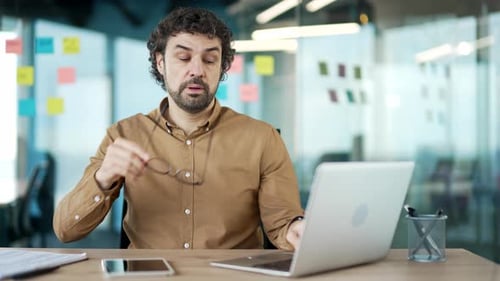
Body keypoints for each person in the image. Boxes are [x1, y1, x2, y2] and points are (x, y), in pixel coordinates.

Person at [53, 6, 305, 250]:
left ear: (223, 67)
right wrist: (102, 178)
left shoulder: (262, 138)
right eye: (183, 57)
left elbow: (283, 224)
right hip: (149, 275)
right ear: (160, 63)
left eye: (209, 59)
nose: (196, 70)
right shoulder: (124, 135)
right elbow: (66, 230)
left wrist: (295, 230)